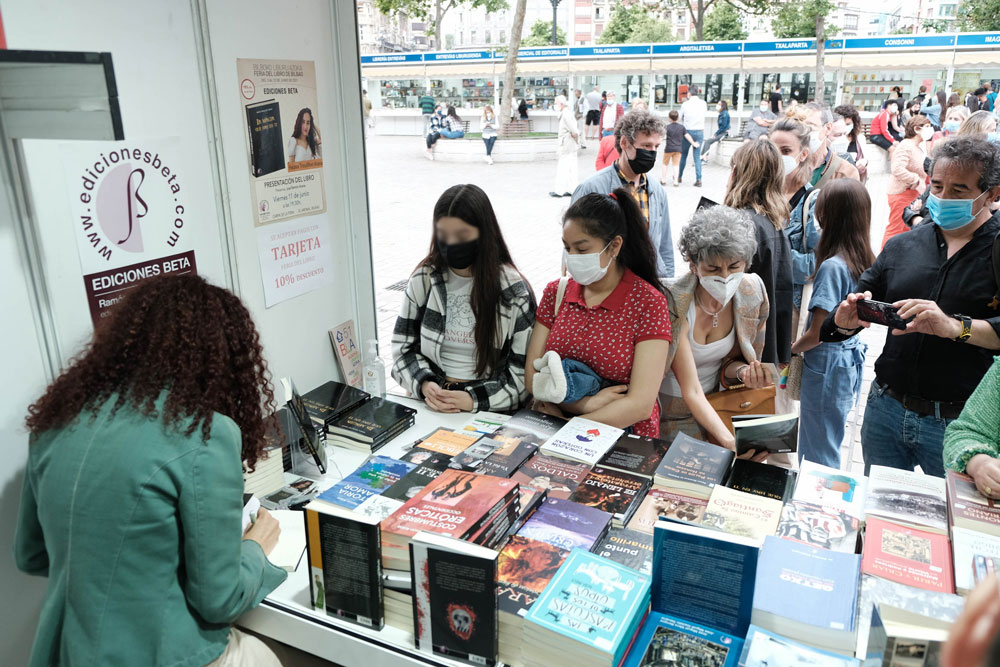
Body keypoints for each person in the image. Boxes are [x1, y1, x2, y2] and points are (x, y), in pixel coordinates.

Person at [14, 274, 289, 665]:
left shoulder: (55, 422)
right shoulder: (205, 433)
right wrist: (255, 548)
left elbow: (31, 556)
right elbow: (220, 600)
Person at [822, 137, 1000, 477]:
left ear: (992, 194)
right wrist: (845, 320)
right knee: (876, 506)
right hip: (886, 409)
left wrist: (954, 327)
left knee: (950, 512)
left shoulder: (996, 251)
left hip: (960, 425)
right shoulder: (903, 245)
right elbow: (848, 312)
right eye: (937, 186)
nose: (943, 198)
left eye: (959, 190)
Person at [525, 190, 671, 436]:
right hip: (555, 425)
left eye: (582, 249)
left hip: (622, 436)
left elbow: (640, 405)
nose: (571, 258)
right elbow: (532, 378)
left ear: (614, 246)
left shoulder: (648, 303)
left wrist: (568, 426)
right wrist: (585, 405)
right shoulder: (556, 293)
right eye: (567, 248)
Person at [391, 184, 536, 413]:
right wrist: (424, 384)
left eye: (461, 235)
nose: (451, 243)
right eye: (443, 234)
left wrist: (471, 400)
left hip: (487, 408)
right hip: (431, 403)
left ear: (484, 233)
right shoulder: (424, 279)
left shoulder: (513, 291)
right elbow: (402, 349)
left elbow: (521, 378)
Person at [659, 206, 774, 452]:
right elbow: (691, 390)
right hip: (665, 412)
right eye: (713, 269)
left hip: (717, 406)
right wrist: (729, 441)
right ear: (693, 264)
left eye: (734, 266)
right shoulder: (674, 303)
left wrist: (744, 372)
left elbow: (731, 361)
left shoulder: (752, 292)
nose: (724, 277)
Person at [791, 180, 875, 468]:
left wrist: (791, 350)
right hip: (847, 362)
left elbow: (818, 333)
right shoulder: (864, 259)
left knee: (817, 452)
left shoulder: (831, 267)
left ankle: (816, 495)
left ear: (828, 216)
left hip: (826, 365)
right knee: (829, 439)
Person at [572, 110, 674, 279]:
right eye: (646, 146)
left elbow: (664, 246)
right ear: (625, 143)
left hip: (647, 284)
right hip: (605, 285)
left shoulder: (657, 191)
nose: (652, 153)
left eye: (657, 147)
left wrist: (667, 283)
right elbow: (575, 245)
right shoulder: (591, 189)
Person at [725, 140, 794, 366]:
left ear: (737, 173)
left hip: (738, 350)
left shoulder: (740, 223)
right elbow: (783, 290)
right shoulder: (774, 223)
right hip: (766, 345)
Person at [769, 117, 820, 315]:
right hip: (754, 301)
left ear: (803, 154)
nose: (778, 157)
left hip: (789, 305)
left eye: (786, 151)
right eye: (773, 150)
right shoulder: (758, 194)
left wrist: (769, 252)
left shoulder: (813, 202)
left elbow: (815, 265)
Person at [881, 115, 932, 248]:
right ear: (916, 129)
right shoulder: (906, 146)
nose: (930, 130)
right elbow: (897, 169)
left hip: (911, 193)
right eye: (927, 127)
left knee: (904, 229)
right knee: (897, 228)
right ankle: (885, 256)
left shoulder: (916, 146)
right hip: (902, 193)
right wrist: (915, 179)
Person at [802, 103, 860, 187]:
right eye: (800, 127)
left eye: (810, 127)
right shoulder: (789, 166)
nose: (803, 132)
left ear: (828, 128)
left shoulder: (845, 172)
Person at [551, 95, 580, 198]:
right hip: (569, 145)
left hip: (567, 145)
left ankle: (559, 191)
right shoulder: (566, 113)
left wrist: (576, 139)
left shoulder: (566, 114)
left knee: (563, 168)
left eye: (556, 103)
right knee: (571, 168)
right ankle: (572, 190)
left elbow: (575, 131)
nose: (555, 105)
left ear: (561, 104)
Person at [678, 84, 707, 187]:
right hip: (699, 131)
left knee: (683, 155)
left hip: (687, 132)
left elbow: (680, 116)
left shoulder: (685, 104)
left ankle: (679, 176)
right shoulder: (703, 103)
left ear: (689, 93)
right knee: (697, 157)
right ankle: (699, 179)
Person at [660, 110, 696, 187]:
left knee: (665, 164)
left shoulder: (667, 127)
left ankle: (663, 180)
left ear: (670, 118)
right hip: (678, 149)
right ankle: (675, 182)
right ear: (677, 118)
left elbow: (661, 136)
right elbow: (687, 136)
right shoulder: (681, 127)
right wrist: (693, 143)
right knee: (676, 165)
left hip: (668, 149)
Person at [834, 103, 869, 181]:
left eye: (848, 124)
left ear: (854, 123)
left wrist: (863, 162)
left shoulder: (860, 138)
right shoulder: (832, 138)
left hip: (854, 179)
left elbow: (865, 158)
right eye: (843, 124)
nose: (845, 127)